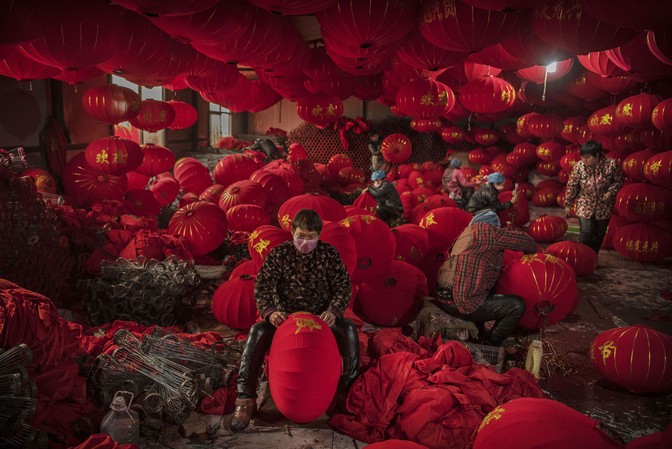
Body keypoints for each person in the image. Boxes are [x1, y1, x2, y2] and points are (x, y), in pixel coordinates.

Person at [230, 209, 359, 432]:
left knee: (348, 330)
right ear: (292, 232)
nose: (305, 242)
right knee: (257, 332)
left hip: (321, 318)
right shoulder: (279, 254)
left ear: (319, 235)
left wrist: (334, 310)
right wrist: (270, 312)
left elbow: (343, 286)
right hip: (285, 319)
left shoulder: (329, 255)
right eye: (301, 235)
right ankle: (245, 398)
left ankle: (346, 394)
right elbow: (262, 286)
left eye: (311, 237)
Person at [434, 210, 537, 346]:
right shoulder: (486, 231)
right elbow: (526, 241)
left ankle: (480, 334)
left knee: (485, 291)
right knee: (516, 306)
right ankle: (490, 343)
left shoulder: (466, 235)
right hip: (460, 301)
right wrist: (532, 259)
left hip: (444, 297)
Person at [564, 140, 624, 254]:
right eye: (582, 157)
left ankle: (592, 258)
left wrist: (610, 192)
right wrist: (568, 204)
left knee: (598, 234)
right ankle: (582, 258)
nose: (584, 160)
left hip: (604, 205)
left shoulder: (611, 165)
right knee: (586, 232)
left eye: (587, 157)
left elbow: (619, 180)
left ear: (597, 155)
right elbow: (572, 185)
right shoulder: (579, 167)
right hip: (585, 202)